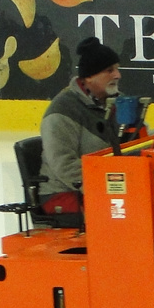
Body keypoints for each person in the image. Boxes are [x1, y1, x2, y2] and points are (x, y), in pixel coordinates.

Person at [37, 37, 121, 216]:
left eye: (117, 69)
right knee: (122, 213)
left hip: (108, 185)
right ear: (90, 76)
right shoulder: (62, 112)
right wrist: (109, 187)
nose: (117, 75)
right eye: (110, 70)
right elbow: (65, 166)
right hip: (62, 194)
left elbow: (137, 138)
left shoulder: (114, 102)